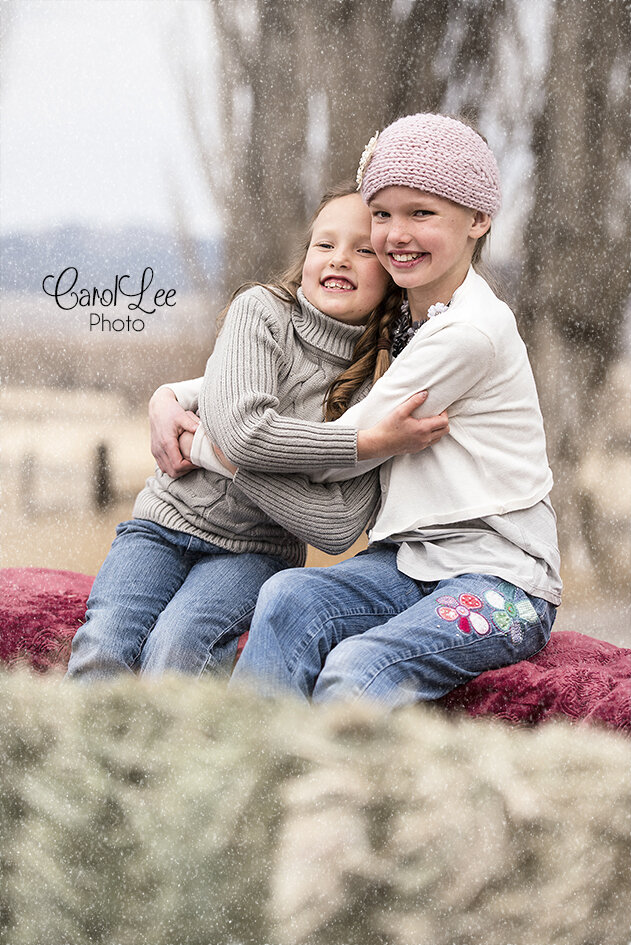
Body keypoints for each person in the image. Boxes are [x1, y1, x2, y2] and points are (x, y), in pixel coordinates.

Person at [230, 113, 562, 708]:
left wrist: (220, 439)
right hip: (408, 566)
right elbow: (299, 374)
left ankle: (330, 795)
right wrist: (179, 396)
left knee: (360, 668)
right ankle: (250, 776)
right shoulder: (400, 319)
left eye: (422, 213)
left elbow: (336, 453)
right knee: (289, 598)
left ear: (479, 220)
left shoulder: (469, 333)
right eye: (383, 214)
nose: (396, 233)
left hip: (502, 584)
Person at [66, 182, 448, 681]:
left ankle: (174, 759)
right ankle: (92, 759)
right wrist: (361, 444)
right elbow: (246, 432)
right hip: (162, 525)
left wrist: (211, 451)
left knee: (177, 650)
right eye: (324, 244)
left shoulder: (384, 384)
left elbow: (335, 527)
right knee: (106, 642)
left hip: (255, 553)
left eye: (362, 250)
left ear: (393, 276)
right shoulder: (262, 312)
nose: (339, 259)